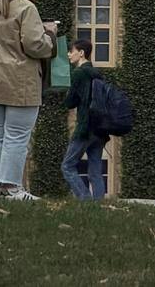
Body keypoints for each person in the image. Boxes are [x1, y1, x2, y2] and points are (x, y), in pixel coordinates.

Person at [0, 0, 57, 200]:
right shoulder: (27, 8)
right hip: (21, 80)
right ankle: (12, 188)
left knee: (0, 135)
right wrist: (50, 35)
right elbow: (34, 45)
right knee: (17, 136)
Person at [61, 33, 107, 200]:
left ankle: (85, 198)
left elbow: (69, 103)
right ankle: (99, 204)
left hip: (85, 127)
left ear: (81, 53)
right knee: (95, 169)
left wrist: (67, 92)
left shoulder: (79, 74)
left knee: (67, 166)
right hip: (100, 129)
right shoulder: (97, 73)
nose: (68, 54)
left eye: (71, 51)